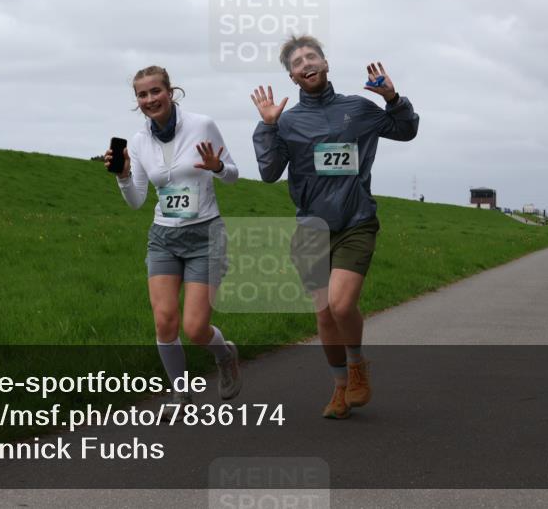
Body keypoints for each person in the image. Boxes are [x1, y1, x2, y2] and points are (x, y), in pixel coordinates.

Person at [250, 35, 419, 419]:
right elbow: (269, 172)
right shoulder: (288, 122)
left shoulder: (358, 109)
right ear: (292, 76)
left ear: (326, 63)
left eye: (312, 56)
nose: (306, 63)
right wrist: (269, 128)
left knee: (342, 304)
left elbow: (405, 130)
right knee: (324, 314)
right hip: (310, 228)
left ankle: (358, 366)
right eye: (297, 62)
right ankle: (341, 387)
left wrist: (393, 98)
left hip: (356, 220)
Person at [105, 65, 241, 404]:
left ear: (171, 91)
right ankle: (181, 394)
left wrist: (218, 168)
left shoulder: (202, 125)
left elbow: (233, 176)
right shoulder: (138, 142)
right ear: (137, 101)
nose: (150, 99)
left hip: (204, 235)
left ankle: (225, 356)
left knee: (195, 329)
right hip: (163, 237)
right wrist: (123, 175)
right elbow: (137, 200)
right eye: (142, 94)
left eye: (156, 91)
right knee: (165, 321)